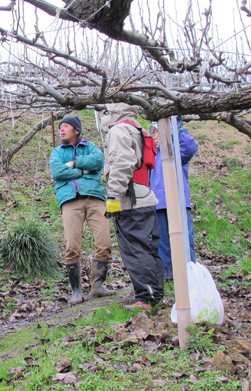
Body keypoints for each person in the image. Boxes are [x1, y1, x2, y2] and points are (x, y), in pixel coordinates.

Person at [101, 103, 165, 309]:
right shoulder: (139, 128)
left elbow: (121, 163)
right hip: (146, 196)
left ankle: (145, 298)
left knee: (135, 249)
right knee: (149, 249)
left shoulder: (119, 130)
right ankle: (154, 294)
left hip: (131, 200)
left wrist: (113, 199)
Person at [49, 116, 115, 304]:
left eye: (66, 127)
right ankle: (76, 292)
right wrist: (85, 171)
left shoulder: (90, 147)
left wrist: (74, 163)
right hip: (70, 200)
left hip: (94, 197)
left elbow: (99, 161)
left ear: (77, 130)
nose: (61, 130)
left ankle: (98, 287)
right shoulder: (57, 152)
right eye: (60, 127)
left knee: (104, 242)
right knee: (72, 246)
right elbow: (57, 172)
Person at [149, 118, 198, 280]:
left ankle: (189, 273)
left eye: (157, 131)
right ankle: (167, 275)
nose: (154, 135)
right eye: (153, 133)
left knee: (185, 240)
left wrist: (177, 130)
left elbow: (190, 148)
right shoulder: (152, 154)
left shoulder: (176, 151)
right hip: (159, 204)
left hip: (178, 201)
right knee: (162, 243)